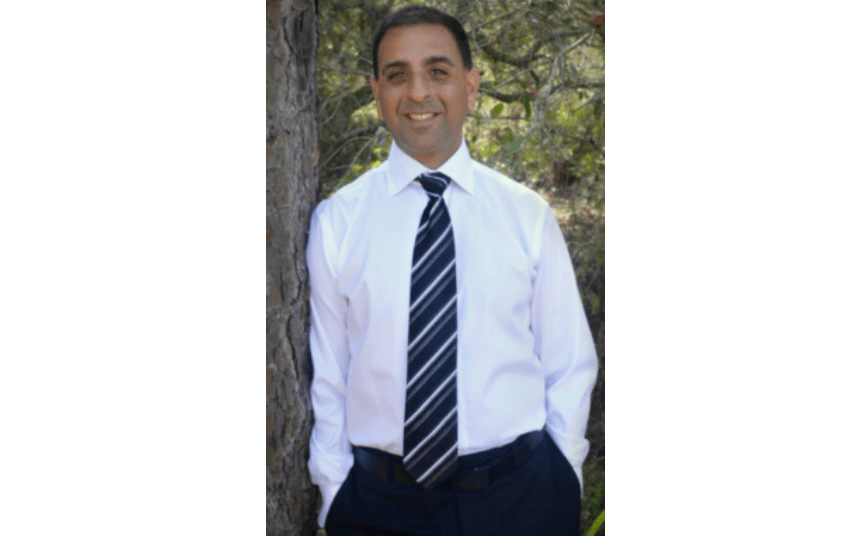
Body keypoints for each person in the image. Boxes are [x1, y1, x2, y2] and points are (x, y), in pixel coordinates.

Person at [306, 5, 598, 535]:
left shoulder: (526, 215)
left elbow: (569, 361)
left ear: (471, 85)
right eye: (397, 75)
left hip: (522, 499)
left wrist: (562, 476)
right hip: (378, 506)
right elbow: (329, 375)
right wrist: (335, 494)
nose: (418, 92)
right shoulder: (337, 222)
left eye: (437, 71)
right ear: (377, 93)